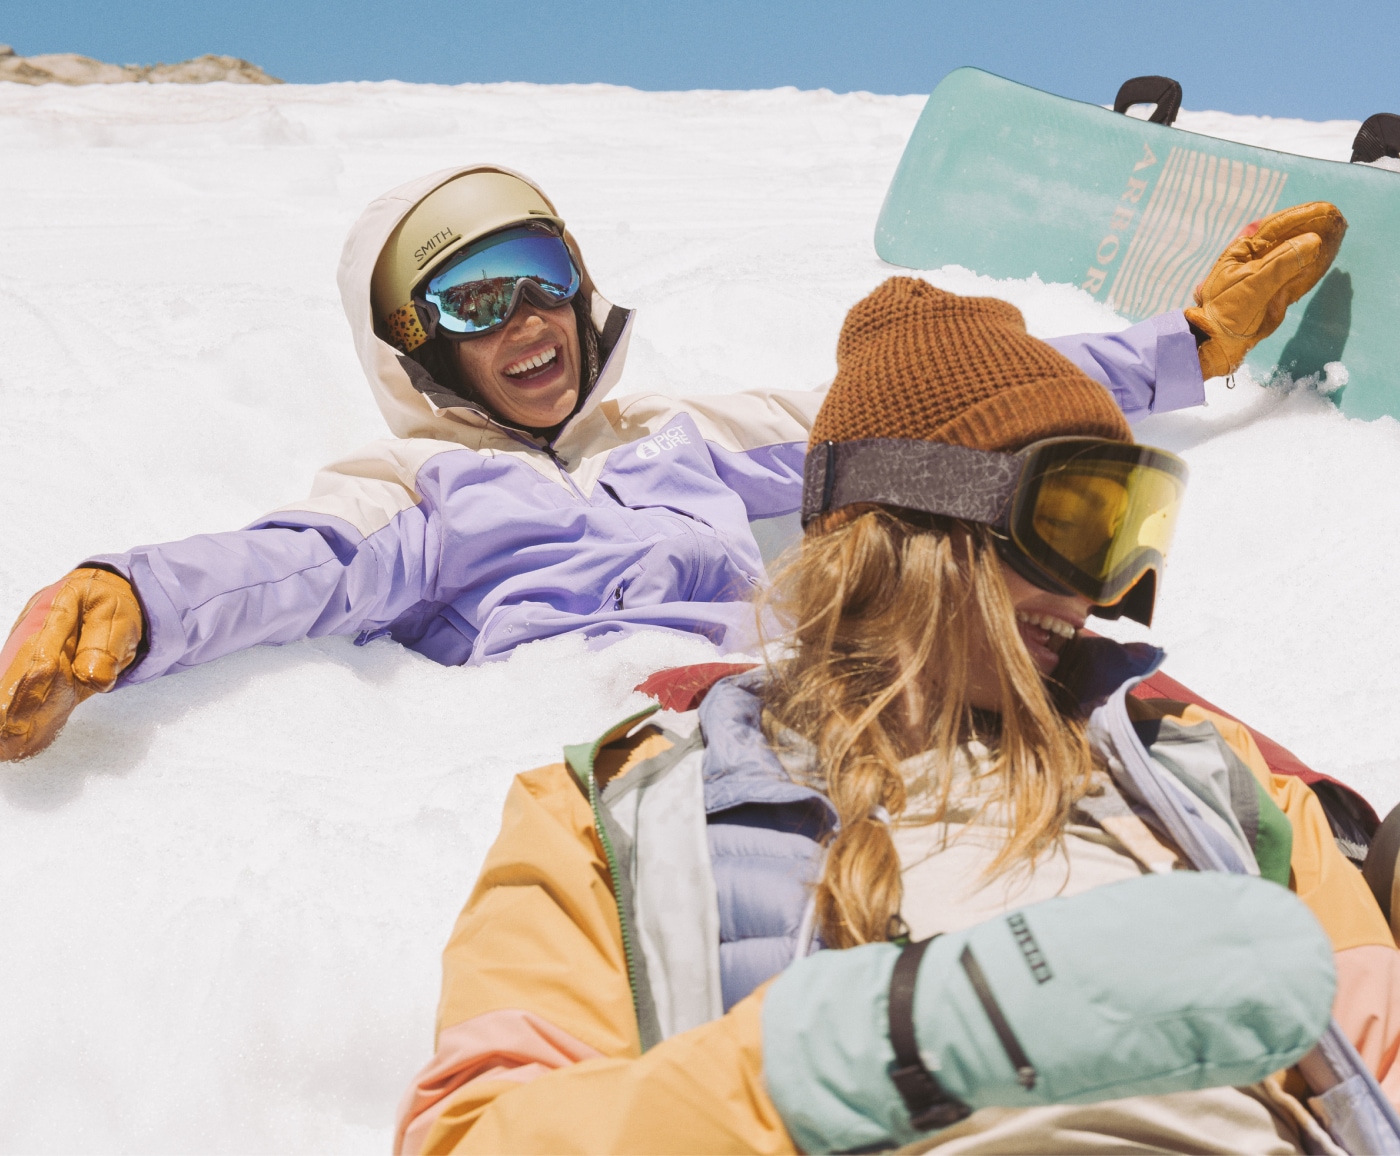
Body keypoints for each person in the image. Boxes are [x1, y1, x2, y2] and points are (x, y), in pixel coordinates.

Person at [392, 280, 1398, 1155]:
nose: (1096, 592)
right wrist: (873, 1047)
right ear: (899, 523)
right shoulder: (616, 816)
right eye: (1073, 522)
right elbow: (480, 1133)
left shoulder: (1206, 776)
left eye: (1126, 533)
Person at [0, 167, 1345, 761]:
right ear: (413, 349)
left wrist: (1189, 346)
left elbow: (915, 415)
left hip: (801, 688)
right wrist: (129, 596)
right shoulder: (408, 491)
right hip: (623, 720)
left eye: (542, 280)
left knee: (1096, 674)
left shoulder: (679, 432)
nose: (527, 322)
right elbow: (295, 570)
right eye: (474, 302)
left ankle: (1322, 838)